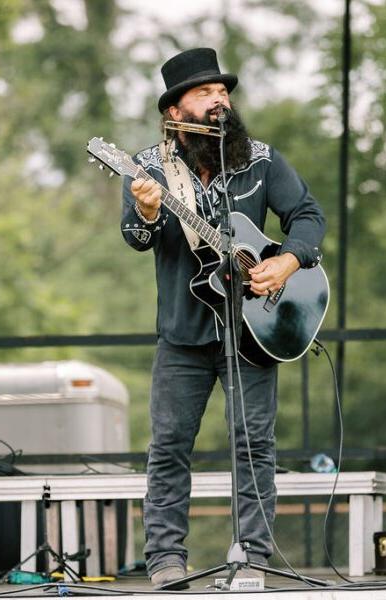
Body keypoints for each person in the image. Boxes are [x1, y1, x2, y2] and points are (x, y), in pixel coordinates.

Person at [120, 47, 325, 589]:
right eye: (206, 93)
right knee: (168, 446)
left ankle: (252, 558)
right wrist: (145, 212)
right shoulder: (146, 169)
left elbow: (306, 214)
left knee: (254, 444)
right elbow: (136, 239)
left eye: (223, 92)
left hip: (255, 330)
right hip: (182, 336)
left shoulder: (259, 158)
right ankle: (165, 560)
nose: (220, 100)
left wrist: (285, 261)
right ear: (175, 112)